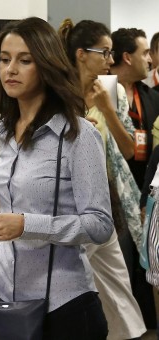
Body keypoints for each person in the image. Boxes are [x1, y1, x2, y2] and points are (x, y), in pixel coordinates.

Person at [0, 17, 113, 339]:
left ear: (46, 65)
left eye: (24, 61)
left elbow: (99, 224)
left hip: (63, 305)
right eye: (4, 59)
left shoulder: (77, 135)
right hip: (6, 297)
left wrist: (28, 224)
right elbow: (3, 218)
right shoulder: (3, 129)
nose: (10, 69)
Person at [58, 18, 146, 339]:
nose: (110, 61)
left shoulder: (115, 93)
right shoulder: (60, 93)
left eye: (111, 54)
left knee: (114, 279)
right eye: (104, 53)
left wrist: (107, 109)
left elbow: (129, 148)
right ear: (81, 54)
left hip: (108, 194)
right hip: (69, 197)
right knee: (82, 283)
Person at [110, 27, 159, 331]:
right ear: (127, 57)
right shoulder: (103, 95)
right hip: (115, 196)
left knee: (146, 272)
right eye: (144, 53)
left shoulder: (152, 97)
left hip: (148, 191)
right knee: (122, 271)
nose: (150, 59)